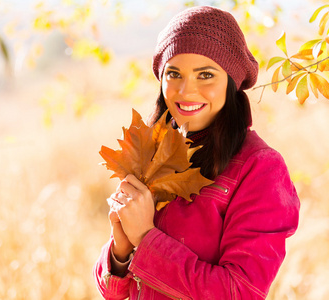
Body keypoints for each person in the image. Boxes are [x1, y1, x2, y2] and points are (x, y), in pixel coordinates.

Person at [93, 5, 300, 300]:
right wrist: (121, 250)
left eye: (205, 75)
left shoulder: (260, 168)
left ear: (231, 82)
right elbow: (113, 292)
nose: (186, 90)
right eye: (174, 74)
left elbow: (240, 292)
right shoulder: (153, 153)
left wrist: (145, 238)